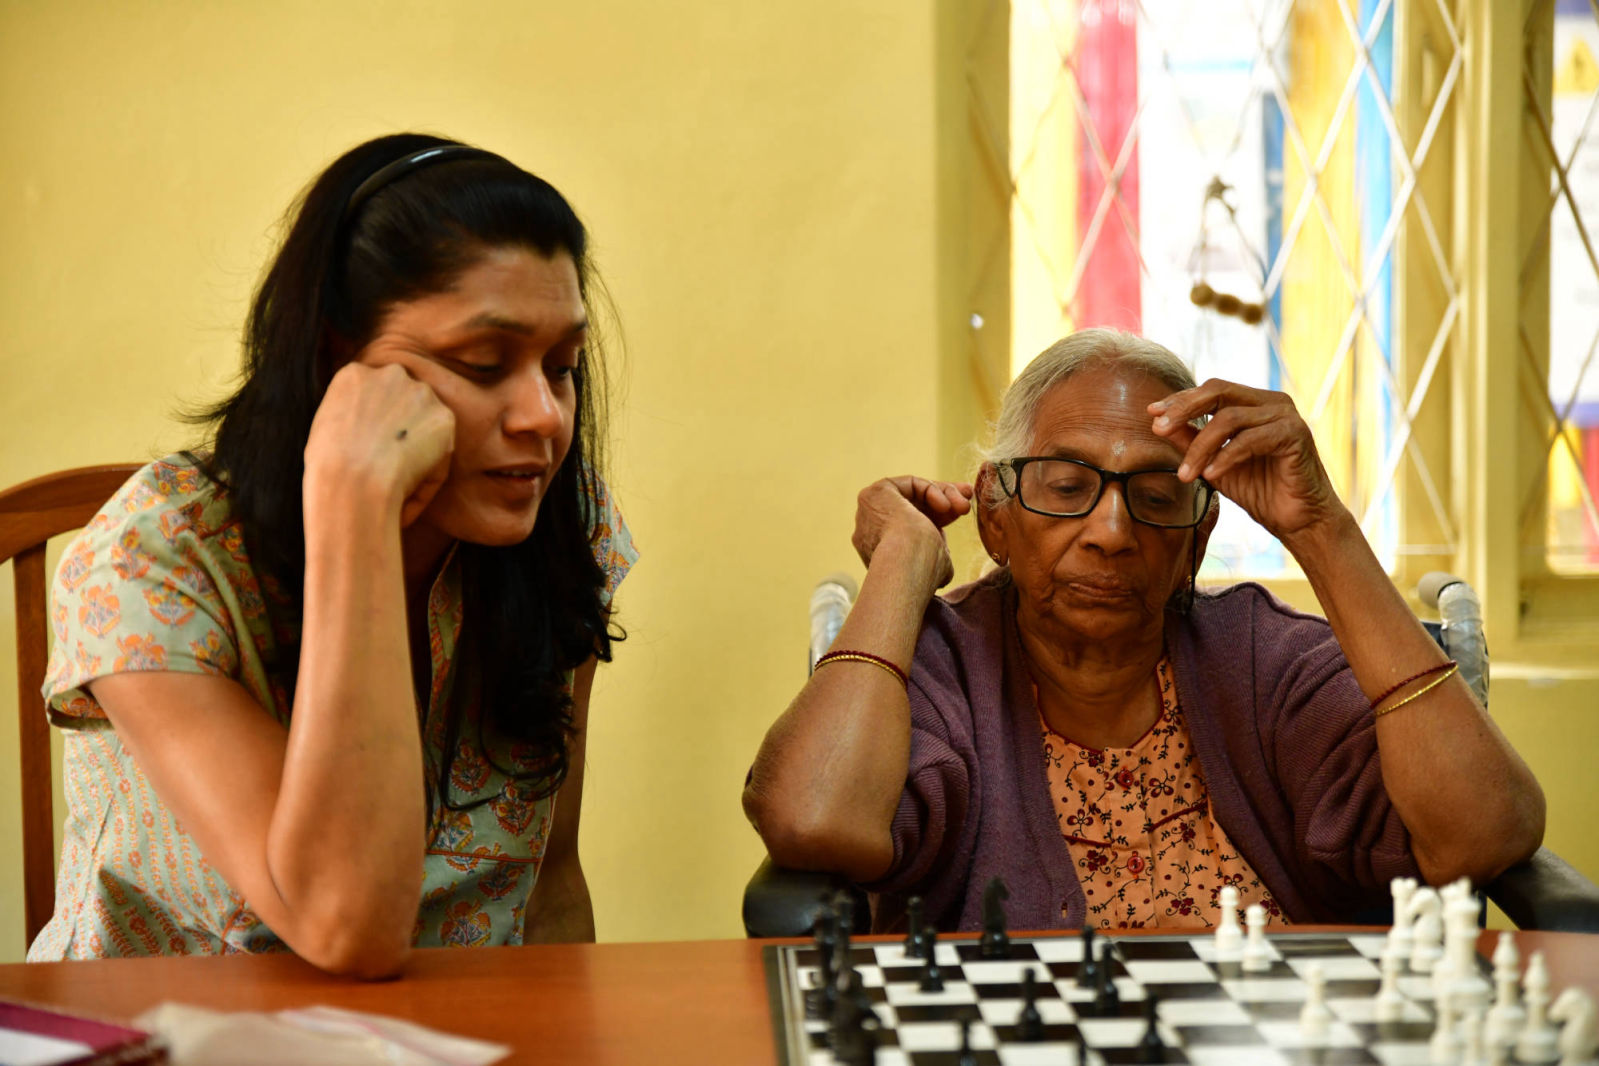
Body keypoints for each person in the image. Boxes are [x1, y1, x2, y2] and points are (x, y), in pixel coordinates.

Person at [29, 133, 637, 976]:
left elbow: (548, 883)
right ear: (333, 359)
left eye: (562, 366)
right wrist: (354, 505)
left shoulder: (563, 530)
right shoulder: (153, 562)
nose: (542, 414)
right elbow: (346, 923)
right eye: (483, 363)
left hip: (456, 1037)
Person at [743, 328, 1544, 932]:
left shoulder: (1261, 659)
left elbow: (1482, 834)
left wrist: (1322, 531)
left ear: (1195, 542)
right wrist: (902, 561)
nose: (1112, 532)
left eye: (1157, 497)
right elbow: (814, 817)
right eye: (1065, 487)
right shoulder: (943, 667)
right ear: (994, 517)